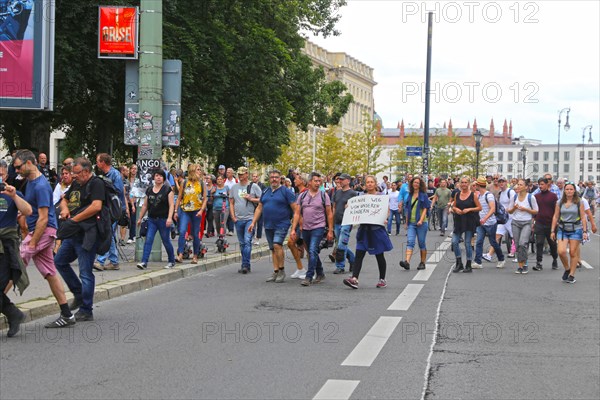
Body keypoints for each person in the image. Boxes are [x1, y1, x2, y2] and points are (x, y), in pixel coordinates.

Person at [12, 150, 75, 328]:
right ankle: (67, 314)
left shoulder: (40, 185)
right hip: (41, 231)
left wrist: (31, 243)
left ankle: (9, 311)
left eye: (18, 167)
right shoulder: (31, 182)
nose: (16, 170)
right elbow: (32, 210)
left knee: (14, 265)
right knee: (50, 272)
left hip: (43, 232)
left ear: (29, 163)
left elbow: (44, 218)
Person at [54, 157, 109, 322]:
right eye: (72, 173)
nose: (73, 176)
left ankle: (86, 309)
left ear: (86, 171)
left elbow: (96, 206)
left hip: (88, 234)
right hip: (73, 233)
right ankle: (79, 293)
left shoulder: (96, 183)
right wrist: (64, 210)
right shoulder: (77, 183)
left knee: (85, 272)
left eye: (76, 173)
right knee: (59, 261)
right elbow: (64, 198)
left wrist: (75, 219)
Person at [0, 160, 33, 337]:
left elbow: (28, 211)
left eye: (1, 175)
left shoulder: (14, 193)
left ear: (6, 175)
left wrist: (13, 196)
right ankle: (14, 314)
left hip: (6, 246)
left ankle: (14, 315)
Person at [343, 175, 393, 289]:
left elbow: (387, 211)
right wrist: (349, 208)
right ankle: (354, 278)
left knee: (379, 254)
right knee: (359, 253)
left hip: (376, 230)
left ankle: (382, 279)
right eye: (367, 182)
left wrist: (385, 218)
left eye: (371, 182)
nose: (369, 184)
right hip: (364, 230)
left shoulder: (381, 197)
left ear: (375, 184)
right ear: (364, 185)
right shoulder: (360, 197)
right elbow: (352, 208)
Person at [248, 169, 298, 283]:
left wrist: (294, 227)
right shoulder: (265, 191)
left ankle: (282, 270)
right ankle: (275, 271)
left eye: (276, 177)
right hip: (269, 224)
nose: (274, 179)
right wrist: (253, 222)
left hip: (282, 223)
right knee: (273, 249)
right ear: (269, 179)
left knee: (277, 245)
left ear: (280, 178)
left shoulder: (286, 191)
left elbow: (296, 209)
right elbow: (259, 207)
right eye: (272, 177)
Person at [290, 172, 333, 286]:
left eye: (319, 181)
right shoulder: (302, 196)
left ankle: (309, 276)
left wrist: (330, 230)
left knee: (313, 250)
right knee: (311, 251)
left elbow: (329, 214)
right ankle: (320, 273)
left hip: (318, 227)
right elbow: (297, 213)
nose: (318, 183)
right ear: (309, 182)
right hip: (306, 228)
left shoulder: (324, 195)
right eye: (316, 181)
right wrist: (293, 229)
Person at [135, 170, 176, 270]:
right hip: (152, 219)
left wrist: (170, 218)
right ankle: (144, 261)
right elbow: (145, 205)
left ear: (163, 178)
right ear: (154, 177)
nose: (158, 178)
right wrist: (140, 218)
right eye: (157, 175)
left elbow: (171, 205)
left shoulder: (167, 189)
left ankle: (171, 260)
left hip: (163, 219)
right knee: (148, 240)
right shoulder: (149, 190)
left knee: (166, 240)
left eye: (161, 176)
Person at [93, 153, 126, 271]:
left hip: (114, 209)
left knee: (107, 233)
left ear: (103, 162)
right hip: (108, 208)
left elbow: (118, 190)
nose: (96, 163)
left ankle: (101, 261)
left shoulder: (114, 174)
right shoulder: (106, 174)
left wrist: (105, 185)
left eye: (98, 161)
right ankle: (114, 261)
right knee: (110, 234)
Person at [551, 182, 588, 283]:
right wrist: (552, 230)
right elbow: (555, 216)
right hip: (562, 229)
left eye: (571, 189)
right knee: (561, 251)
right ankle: (567, 269)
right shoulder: (559, 202)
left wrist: (585, 231)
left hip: (576, 229)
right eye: (567, 189)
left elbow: (583, 217)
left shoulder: (579, 202)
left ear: (574, 191)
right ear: (564, 191)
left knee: (572, 252)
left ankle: (571, 274)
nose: (569, 191)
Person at [230, 167, 262, 274]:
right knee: (242, 243)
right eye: (239, 174)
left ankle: (245, 264)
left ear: (247, 174)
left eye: (242, 174)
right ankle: (245, 264)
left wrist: (251, 199)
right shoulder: (234, 187)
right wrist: (233, 216)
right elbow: (231, 202)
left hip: (250, 218)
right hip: (238, 219)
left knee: (247, 241)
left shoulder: (254, 186)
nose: (240, 176)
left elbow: (262, 200)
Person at [173, 164, 206, 263]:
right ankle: (180, 254)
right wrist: (175, 211)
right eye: (198, 170)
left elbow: (205, 199)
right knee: (182, 232)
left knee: (195, 234)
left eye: (200, 170)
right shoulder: (184, 182)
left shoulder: (201, 183)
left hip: (196, 211)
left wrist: (201, 210)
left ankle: (195, 255)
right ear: (192, 171)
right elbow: (179, 197)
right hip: (185, 210)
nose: (200, 172)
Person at [472, 177, 506, 269]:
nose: (474, 187)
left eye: (476, 185)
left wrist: (485, 218)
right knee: (479, 241)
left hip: (490, 223)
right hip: (481, 223)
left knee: (493, 242)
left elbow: (493, 209)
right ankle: (478, 262)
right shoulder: (479, 196)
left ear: (479, 185)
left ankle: (501, 259)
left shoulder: (489, 195)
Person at [399, 177, 431, 271]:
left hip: (421, 223)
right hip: (412, 223)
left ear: (420, 185)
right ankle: (407, 262)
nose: (415, 184)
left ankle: (422, 262)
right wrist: (406, 222)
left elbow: (425, 208)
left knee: (421, 243)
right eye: (414, 182)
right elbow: (409, 209)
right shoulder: (410, 195)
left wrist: (421, 220)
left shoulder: (423, 195)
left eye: (417, 183)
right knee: (410, 242)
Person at [450, 177, 481, 273]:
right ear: (459, 184)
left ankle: (468, 263)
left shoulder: (473, 195)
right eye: (462, 182)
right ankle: (459, 262)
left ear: (469, 184)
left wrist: (470, 209)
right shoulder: (457, 194)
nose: (463, 184)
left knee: (467, 243)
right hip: (459, 220)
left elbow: (479, 207)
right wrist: (456, 209)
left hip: (469, 221)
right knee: (455, 242)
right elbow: (454, 206)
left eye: (465, 182)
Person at [508, 179, 539, 274]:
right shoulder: (514, 197)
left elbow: (536, 211)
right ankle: (521, 265)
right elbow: (509, 211)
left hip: (526, 222)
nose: (518, 186)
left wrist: (525, 209)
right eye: (518, 184)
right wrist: (514, 207)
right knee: (517, 244)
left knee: (523, 243)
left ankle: (524, 265)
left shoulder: (531, 197)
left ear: (526, 187)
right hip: (515, 222)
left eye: (521, 185)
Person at [332, 173, 357, 274]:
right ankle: (353, 260)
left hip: (346, 222)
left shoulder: (353, 193)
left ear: (348, 181)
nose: (340, 181)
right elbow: (334, 207)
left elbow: (356, 208)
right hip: (337, 221)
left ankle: (340, 266)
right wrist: (331, 221)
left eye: (342, 180)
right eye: (339, 180)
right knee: (341, 244)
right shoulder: (337, 192)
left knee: (341, 244)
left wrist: (350, 206)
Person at [533, 177, 559, 271]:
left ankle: (555, 259)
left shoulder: (553, 196)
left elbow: (556, 211)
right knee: (539, 243)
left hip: (550, 224)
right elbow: (534, 210)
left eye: (542, 184)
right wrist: (533, 222)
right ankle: (538, 263)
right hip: (539, 223)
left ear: (547, 184)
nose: (540, 186)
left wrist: (556, 222)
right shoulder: (536, 197)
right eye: (539, 184)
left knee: (552, 244)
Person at [251, 171, 266, 245]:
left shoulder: (262, 186)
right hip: (252, 206)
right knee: (252, 222)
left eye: (256, 176)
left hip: (260, 206)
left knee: (260, 223)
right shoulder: (249, 185)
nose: (254, 178)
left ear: (258, 177)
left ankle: (257, 238)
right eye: (253, 176)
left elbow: (264, 196)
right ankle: (251, 236)